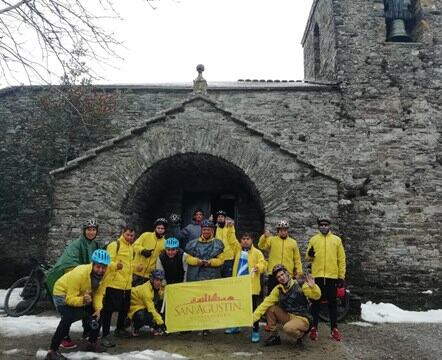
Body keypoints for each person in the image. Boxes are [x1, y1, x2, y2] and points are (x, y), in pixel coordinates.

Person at [44, 249, 110, 360]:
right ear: (93, 264)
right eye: (98, 267)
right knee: (68, 317)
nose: (100, 270)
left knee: (99, 312)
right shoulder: (80, 273)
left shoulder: (105, 276)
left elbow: (99, 294)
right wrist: (83, 300)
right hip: (62, 294)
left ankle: (92, 342)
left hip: (81, 295)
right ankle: (52, 351)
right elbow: (70, 299)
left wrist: (98, 309)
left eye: (103, 267)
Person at [45, 219, 100, 349]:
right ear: (84, 230)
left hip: (83, 279)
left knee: (88, 305)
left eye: (93, 230)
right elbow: (70, 263)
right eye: (88, 229)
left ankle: (87, 330)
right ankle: (63, 338)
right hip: (70, 279)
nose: (91, 232)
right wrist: (82, 277)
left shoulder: (94, 244)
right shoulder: (76, 245)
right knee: (69, 311)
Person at [252, 264, 321, 347]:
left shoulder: (300, 284)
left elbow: (316, 296)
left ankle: (300, 336)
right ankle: (274, 337)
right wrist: (252, 319)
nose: (281, 277)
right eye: (278, 277)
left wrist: (313, 287)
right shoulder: (278, 289)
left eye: (282, 274)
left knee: (287, 328)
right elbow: (264, 304)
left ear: (287, 273)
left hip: (303, 318)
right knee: (270, 308)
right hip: (288, 316)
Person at [306, 216, 346, 342]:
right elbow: (308, 257)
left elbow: (341, 259)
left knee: (332, 304)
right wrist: (310, 254)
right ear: (319, 226)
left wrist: (341, 277)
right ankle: (314, 328)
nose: (324, 227)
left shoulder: (336, 240)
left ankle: (334, 329)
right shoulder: (314, 239)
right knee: (315, 303)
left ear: (329, 226)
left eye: (326, 224)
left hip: (331, 277)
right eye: (321, 225)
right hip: (317, 276)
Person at [100, 224, 141, 347]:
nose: (129, 237)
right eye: (127, 234)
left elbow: (129, 265)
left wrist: (136, 268)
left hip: (126, 285)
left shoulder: (131, 248)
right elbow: (107, 261)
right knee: (108, 311)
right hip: (113, 284)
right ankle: (105, 335)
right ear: (122, 233)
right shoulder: (114, 245)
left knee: (124, 309)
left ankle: (119, 329)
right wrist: (115, 265)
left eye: (132, 236)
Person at [225, 231, 266, 343]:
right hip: (238, 285)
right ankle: (236, 326)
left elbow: (263, 264)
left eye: (247, 239)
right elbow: (231, 240)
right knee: (237, 307)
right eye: (243, 239)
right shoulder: (237, 249)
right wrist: (230, 227)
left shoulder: (257, 252)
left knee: (253, 310)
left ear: (252, 240)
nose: (245, 241)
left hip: (251, 286)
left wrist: (258, 267)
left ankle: (255, 331)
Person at [258, 220, 303, 294]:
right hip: (273, 273)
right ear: (278, 231)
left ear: (287, 231)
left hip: (287, 273)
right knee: (272, 295)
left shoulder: (293, 242)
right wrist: (264, 236)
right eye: (281, 230)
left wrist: (299, 272)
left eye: (285, 230)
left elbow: (297, 259)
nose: (283, 232)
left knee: (288, 295)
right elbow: (261, 246)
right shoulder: (272, 240)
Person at [128, 269, 166, 337]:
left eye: (161, 280)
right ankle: (135, 326)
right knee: (145, 316)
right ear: (152, 279)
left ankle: (156, 327)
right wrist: (162, 323)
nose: (159, 282)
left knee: (160, 308)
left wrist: (165, 288)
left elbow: (162, 296)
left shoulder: (157, 288)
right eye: (157, 280)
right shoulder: (146, 291)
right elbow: (151, 309)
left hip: (142, 306)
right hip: (132, 307)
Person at [132, 218, 168, 286]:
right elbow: (134, 245)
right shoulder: (146, 235)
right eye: (158, 228)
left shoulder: (165, 243)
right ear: (155, 228)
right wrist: (142, 251)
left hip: (150, 275)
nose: (160, 230)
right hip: (137, 271)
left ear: (165, 229)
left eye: (162, 228)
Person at [213, 210, 236, 278]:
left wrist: (231, 227)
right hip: (218, 257)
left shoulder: (230, 227)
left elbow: (233, 241)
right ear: (217, 219)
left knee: (227, 278)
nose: (220, 218)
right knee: (218, 278)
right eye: (219, 216)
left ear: (225, 218)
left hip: (228, 258)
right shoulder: (214, 228)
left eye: (222, 216)